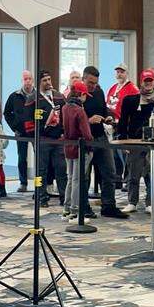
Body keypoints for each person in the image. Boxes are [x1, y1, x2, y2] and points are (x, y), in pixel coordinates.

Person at [119, 69, 154, 213]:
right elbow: (123, 121)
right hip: (134, 140)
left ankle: (150, 202)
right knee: (133, 173)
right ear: (141, 81)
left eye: (150, 80)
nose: (148, 83)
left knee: (151, 173)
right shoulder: (130, 100)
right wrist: (124, 141)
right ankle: (132, 201)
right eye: (145, 81)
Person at [81, 66, 127, 219]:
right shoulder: (78, 95)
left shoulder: (99, 92)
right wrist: (88, 120)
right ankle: (83, 207)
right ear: (84, 78)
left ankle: (108, 205)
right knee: (84, 176)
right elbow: (71, 118)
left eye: (95, 83)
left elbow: (103, 109)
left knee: (109, 172)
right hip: (86, 140)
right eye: (90, 82)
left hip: (101, 137)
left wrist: (108, 116)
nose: (92, 86)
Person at [30, 70, 67, 208]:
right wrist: (33, 135)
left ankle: (65, 197)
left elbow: (65, 114)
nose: (48, 82)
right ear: (39, 82)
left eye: (49, 79)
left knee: (61, 169)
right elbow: (27, 119)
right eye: (45, 80)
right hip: (42, 140)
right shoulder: (33, 98)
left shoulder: (59, 97)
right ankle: (41, 196)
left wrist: (64, 132)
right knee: (41, 171)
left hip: (58, 140)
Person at [61, 80, 94, 222]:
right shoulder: (80, 111)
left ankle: (66, 209)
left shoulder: (65, 108)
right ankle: (75, 212)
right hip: (80, 149)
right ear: (80, 94)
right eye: (85, 95)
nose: (86, 97)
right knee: (77, 180)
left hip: (68, 147)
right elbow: (87, 135)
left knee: (70, 179)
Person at [3, 71, 34, 193]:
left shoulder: (38, 95)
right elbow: (7, 113)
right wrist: (14, 127)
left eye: (29, 79)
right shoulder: (14, 96)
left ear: (32, 80)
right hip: (21, 132)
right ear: (22, 81)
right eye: (25, 79)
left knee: (41, 158)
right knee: (22, 158)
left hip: (35, 132)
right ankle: (23, 183)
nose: (27, 81)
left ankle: (40, 185)